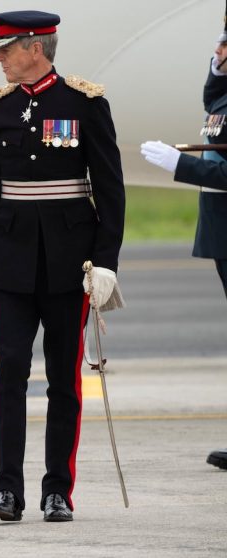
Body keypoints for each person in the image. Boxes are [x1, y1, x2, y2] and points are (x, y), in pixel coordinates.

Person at [0, 11, 126, 522]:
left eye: (6, 49)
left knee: (63, 376)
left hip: (69, 262)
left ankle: (58, 490)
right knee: (10, 369)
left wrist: (106, 263)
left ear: (35, 48)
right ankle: (6, 491)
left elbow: (110, 188)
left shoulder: (84, 103)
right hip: (11, 260)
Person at [140, 13, 227, 471]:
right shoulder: (224, 95)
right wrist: (219, 67)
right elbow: (214, 100)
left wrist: (181, 166)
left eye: (224, 46)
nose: (216, 52)